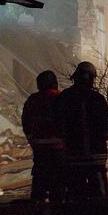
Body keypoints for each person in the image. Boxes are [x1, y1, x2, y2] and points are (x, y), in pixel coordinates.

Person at [55, 61, 108, 199]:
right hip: (95, 156)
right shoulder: (97, 99)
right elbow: (106, 124)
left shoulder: (65, 97)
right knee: (100, 195)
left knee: (75, 195)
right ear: (92, 78)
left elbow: (58, 123)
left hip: (73, 155)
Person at [21, 70, 65, 202]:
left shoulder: (32, 100)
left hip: (40, 151)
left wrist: (32, 140)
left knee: (39, 187)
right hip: (60, 150)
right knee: (58, 189)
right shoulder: (62, 99)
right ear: (55, 83)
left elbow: (26, 123)